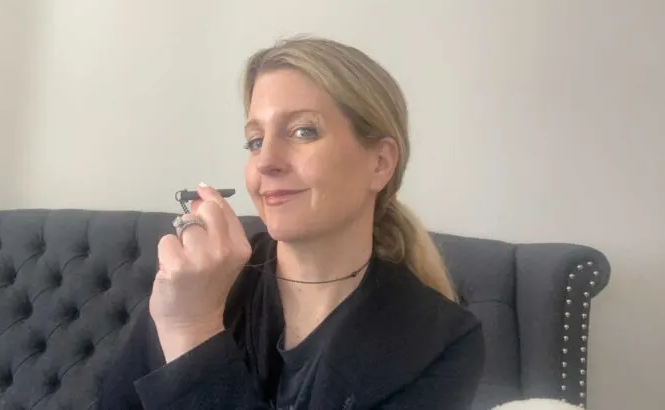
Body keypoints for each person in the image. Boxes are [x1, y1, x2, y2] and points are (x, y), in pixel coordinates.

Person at [99, 36, 485, 410]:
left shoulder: (441, 344)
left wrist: (193, 330)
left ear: (380, 163)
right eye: (255, 141)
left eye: (304, 131)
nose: (266, 161)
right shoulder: (200, 280)